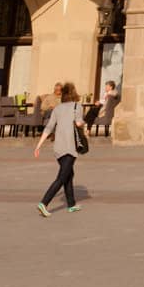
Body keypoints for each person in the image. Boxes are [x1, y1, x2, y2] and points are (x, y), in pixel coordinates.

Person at [34, 81, 86, 215]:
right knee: (62, 177)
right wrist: (83, 124)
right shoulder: (77, 106)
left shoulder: (57, 108)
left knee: (69, 174)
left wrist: (38, 145)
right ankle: (44, 202)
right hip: (70, 146)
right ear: (74, 93)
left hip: (58, 147)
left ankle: (71, 204)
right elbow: (79, 122)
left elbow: (49, 127)